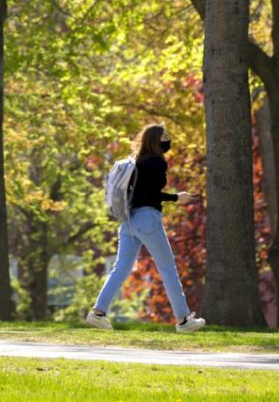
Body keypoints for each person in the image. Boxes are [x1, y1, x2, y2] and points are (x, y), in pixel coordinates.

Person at [86, 124, 206, 333]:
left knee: (120, 268)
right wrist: (177, 197)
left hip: (129, 221)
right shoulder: (157, 163)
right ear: (155, 141)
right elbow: (151, 194)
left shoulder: (137, 163)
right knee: (168, 269)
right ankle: (184, 320)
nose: (168, 139)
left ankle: (98, 313)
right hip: (148, 219)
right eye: (165, 136)